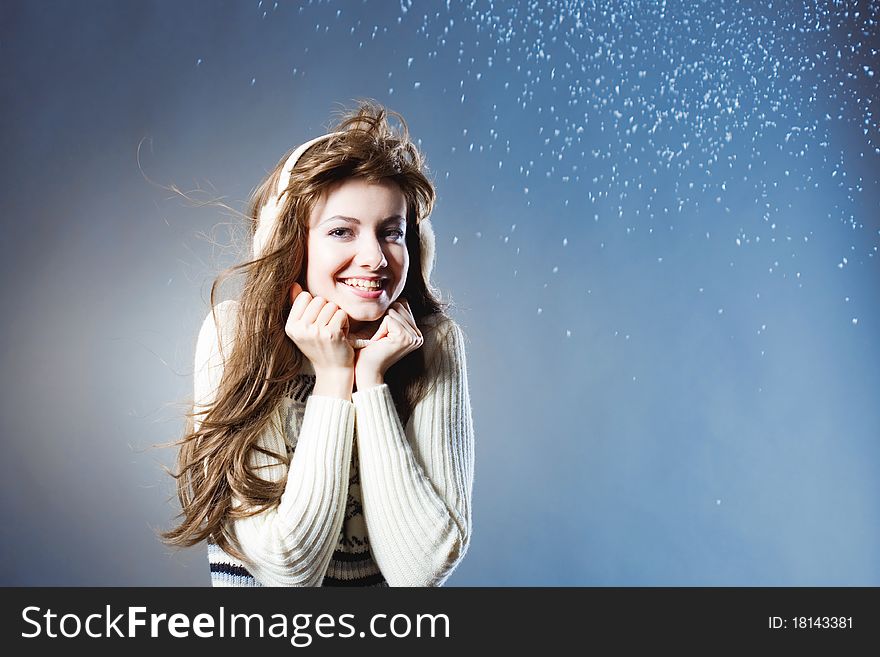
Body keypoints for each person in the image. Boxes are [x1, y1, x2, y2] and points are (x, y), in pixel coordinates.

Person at [163, 100, 475, 587]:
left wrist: (369, 382)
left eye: (391, 232)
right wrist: (332, 378)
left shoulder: (433, 345)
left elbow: (419, 574)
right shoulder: (235, 336)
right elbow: (289, 572)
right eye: (340, 232)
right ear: (291, 243)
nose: (374, 258)